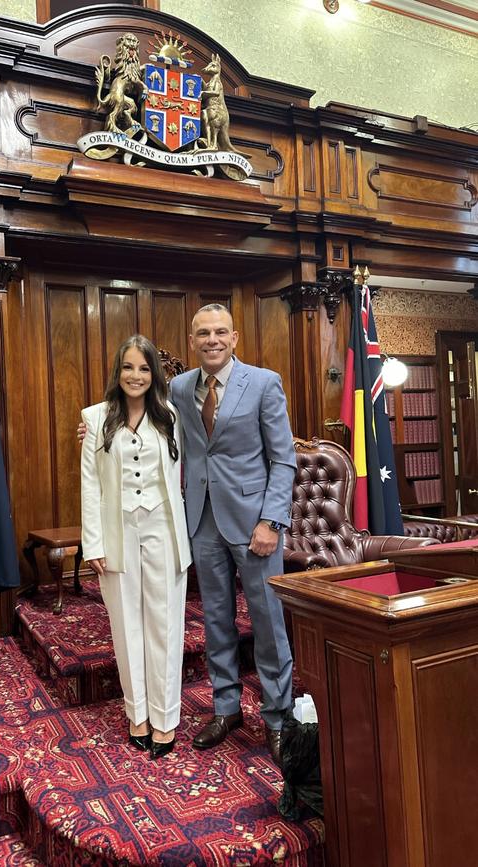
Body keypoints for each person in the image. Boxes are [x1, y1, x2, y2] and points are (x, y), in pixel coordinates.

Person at [168, 303, 295, 764]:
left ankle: (278, 718)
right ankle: (226, 708)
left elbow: (283, 459)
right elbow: (150, 424)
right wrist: (97, 427)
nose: (212, 340)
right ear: (192, 340)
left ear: (235, 337)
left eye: (220, 332)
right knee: (216, 620)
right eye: (203, 333)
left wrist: (271, 522)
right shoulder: (180, 388)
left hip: (255, 525)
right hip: (201, 520)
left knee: (267, 624)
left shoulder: (263, 382)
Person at [80, 334, 192, 759]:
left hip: (164, 527)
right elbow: (90, 486)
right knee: (126, 628)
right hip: (117, 532)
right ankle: (138, 715)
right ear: (117, 371)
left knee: (165, 625)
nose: (136, 375)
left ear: (154, 375)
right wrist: (94, 543)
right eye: (128, 367)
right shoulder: (94, 419)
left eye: (144, 368)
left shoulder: (171, 417)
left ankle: (166, 719)